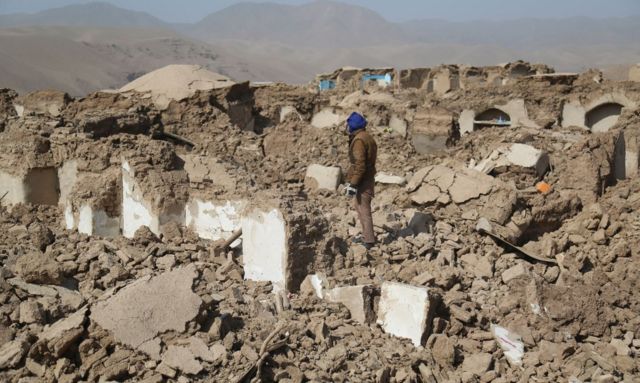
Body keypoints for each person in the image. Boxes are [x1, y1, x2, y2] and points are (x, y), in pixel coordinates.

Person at [344, 112, 378, 249]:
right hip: (367, 178)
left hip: (364, 180)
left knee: (363, 209)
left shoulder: (359, 140)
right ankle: (366, 236)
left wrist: (353, 183)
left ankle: (369, 240)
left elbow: (360, 165)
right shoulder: (367, 137)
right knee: (360, 207)